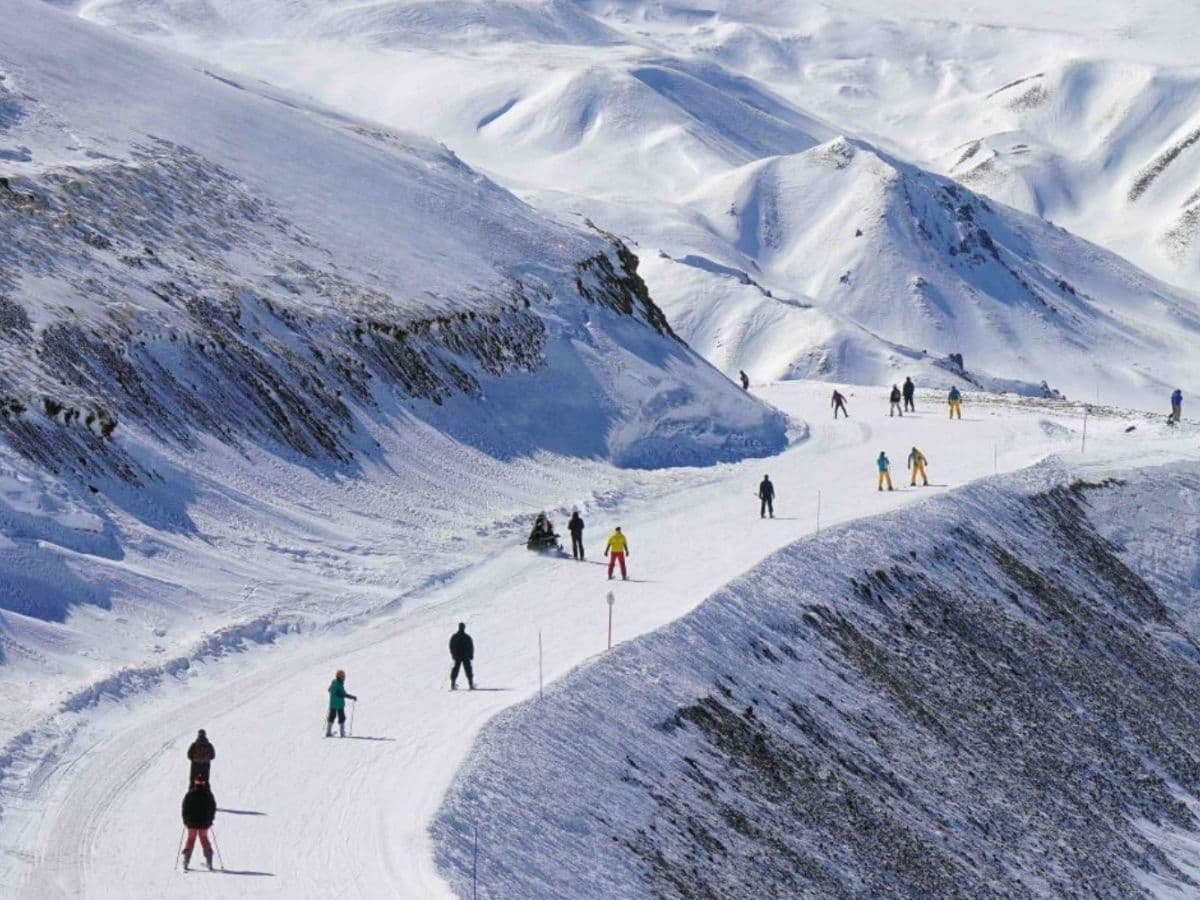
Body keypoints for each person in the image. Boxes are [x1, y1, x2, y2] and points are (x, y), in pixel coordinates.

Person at [180, 777, 217, 871]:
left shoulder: (190, 794)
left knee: (190, 839)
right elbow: (213, 808)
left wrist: (185, 820)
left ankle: (186, 862)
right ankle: (209, 861)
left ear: (195, 783)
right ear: (204, 783)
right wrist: (210, 819)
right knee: (204, 839)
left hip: (191, 822)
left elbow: (184, 808)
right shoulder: (208, 794)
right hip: (204, 823)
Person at [326, 669, 358, 738]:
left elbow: (329, 690)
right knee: (342, 717)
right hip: (339, 704)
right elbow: (343, 694)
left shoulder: (333, 683)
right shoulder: (339, 684)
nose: (344, 678)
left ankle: (328, 732)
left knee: (331, 717)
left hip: (332, 704)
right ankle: (342, 733)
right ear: (340, 677)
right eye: (343, 676)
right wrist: (353, 697)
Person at [449, 623, 474, 691]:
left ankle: (453, 684)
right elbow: (471, 647)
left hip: (457, 656)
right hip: (466, 656)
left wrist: (453, 655)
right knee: (468, 669)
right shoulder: (467, 637)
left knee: (455, 669)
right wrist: (471, 655)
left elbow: (451, 646)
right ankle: (471, 684)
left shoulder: (454, 636)